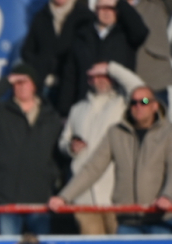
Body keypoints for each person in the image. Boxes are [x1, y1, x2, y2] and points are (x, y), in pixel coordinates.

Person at [50, 86, 172, 234]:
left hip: (161, 219)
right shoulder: (116, 133)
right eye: (133, 102)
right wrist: (64, 197)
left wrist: (167, 196)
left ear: (155, 106)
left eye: (144, 101)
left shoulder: (168, 133)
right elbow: (92, 168)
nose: (138, 106)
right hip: (127, 221)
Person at [58, 61, 146, 235]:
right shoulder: (78, 109)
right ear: (88, 81)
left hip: (114, 194)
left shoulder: (122, 104)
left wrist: (112, 67)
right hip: (83, 197)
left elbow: (140, 90)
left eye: (104, 76)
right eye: (94, 77)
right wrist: (70, 147)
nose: (100, 81)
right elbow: (63, 141)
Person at [0, 64, 61, 235]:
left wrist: (53, 176)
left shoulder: (50, 116)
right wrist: (6, 81)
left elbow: (57, 151)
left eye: (25, 82)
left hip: (39, 195)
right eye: (17, 83)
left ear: (34, 85)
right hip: (8, 195)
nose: (21, 86)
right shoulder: (4, 112)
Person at [60, 0, 147, 116]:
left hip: (117, 105)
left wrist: (120, 3)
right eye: (102, 8)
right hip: (87, 104)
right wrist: (64, 110)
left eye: (111, 8)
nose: (107, 12)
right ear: (96, 9)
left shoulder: (127, 35)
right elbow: (70, 75)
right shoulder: (81, 36)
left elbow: (141, 32)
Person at [20, 0, 95, 115]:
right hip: (46, 86)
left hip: (75, 86)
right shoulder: (41, 17)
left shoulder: (85, 17)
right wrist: (41, 64)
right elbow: (27, 51)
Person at [119, 0, 172, 107]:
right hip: (123, 77)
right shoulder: (115, 3)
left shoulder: (157, 3)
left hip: (154, 77)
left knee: (157, 124)